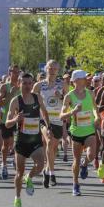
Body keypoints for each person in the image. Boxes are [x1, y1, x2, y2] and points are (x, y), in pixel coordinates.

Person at [6, 73, 49, 207]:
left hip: (35, 140)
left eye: (30, 83)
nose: (27, 86)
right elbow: (7, 123)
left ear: (33, 84)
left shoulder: (37, 98)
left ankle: (29, 177)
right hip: (22, 141)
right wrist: (15, 120)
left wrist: (48, 126)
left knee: (41, 165)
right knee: (19, 172)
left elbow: (44, 112)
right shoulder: (16, 101)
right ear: (19, 84)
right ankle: (17, 199)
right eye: (24, 83)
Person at [60, 70, 99, 196]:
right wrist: (72, 112)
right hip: (76, 132)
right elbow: (61, 116)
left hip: (89, 130)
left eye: (86, 78)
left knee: (92, 155)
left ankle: (85, 163)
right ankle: (75, 184)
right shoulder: (69, 96)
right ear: (76, 81)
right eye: (83, 78)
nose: (87, 80)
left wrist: (97, 117)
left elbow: (95, 109)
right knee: (76, 159)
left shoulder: (91, 93)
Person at [32, 59, 68, 187]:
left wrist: (62, 97)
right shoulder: (39, 86)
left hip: (58, 119)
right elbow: (31, 102)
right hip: (44, 119)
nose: (52, 71)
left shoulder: (63, 84)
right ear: (45, 69)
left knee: (52, 146)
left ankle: (46, 170)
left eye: (54, 69)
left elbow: (69, 102)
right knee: (49, 139)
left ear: (58, 70)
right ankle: (52, 173)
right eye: (50, 68)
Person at [0, 65, 21, 174]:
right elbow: (0, 103)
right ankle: (4, 163)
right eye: (14, 72)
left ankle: (15, 160)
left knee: (18, 142)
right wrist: (11, 93)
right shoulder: (4, 87)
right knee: (6, 143)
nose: (17, 74)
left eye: (18, 72)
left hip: (20, 119)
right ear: (10, 73)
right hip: (6, 119)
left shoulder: (22, 86)